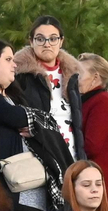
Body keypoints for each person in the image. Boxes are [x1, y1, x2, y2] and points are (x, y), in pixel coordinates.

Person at [0, 38, 51, 211]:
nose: (14, 65)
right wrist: (34, 120)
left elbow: (38, 119)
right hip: (12, 191)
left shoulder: (14, 94)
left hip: (35, 190)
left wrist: (34, 121)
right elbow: (12, 115)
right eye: (8, 59)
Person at [13, 16, 85, 160]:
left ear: (61, 41)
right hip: (36, 156)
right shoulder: (20, 74)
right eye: (40, 39)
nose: (47, 44)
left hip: (71, 154)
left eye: (53, 39)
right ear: (31, 41)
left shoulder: (72, 76)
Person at [76, 53, 108, 211]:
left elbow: (92, 145)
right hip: (90, 182)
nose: (75, 78)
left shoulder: (102, 102)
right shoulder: (89, 101)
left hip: (97, 185)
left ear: (95, 78)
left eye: (80, 74)